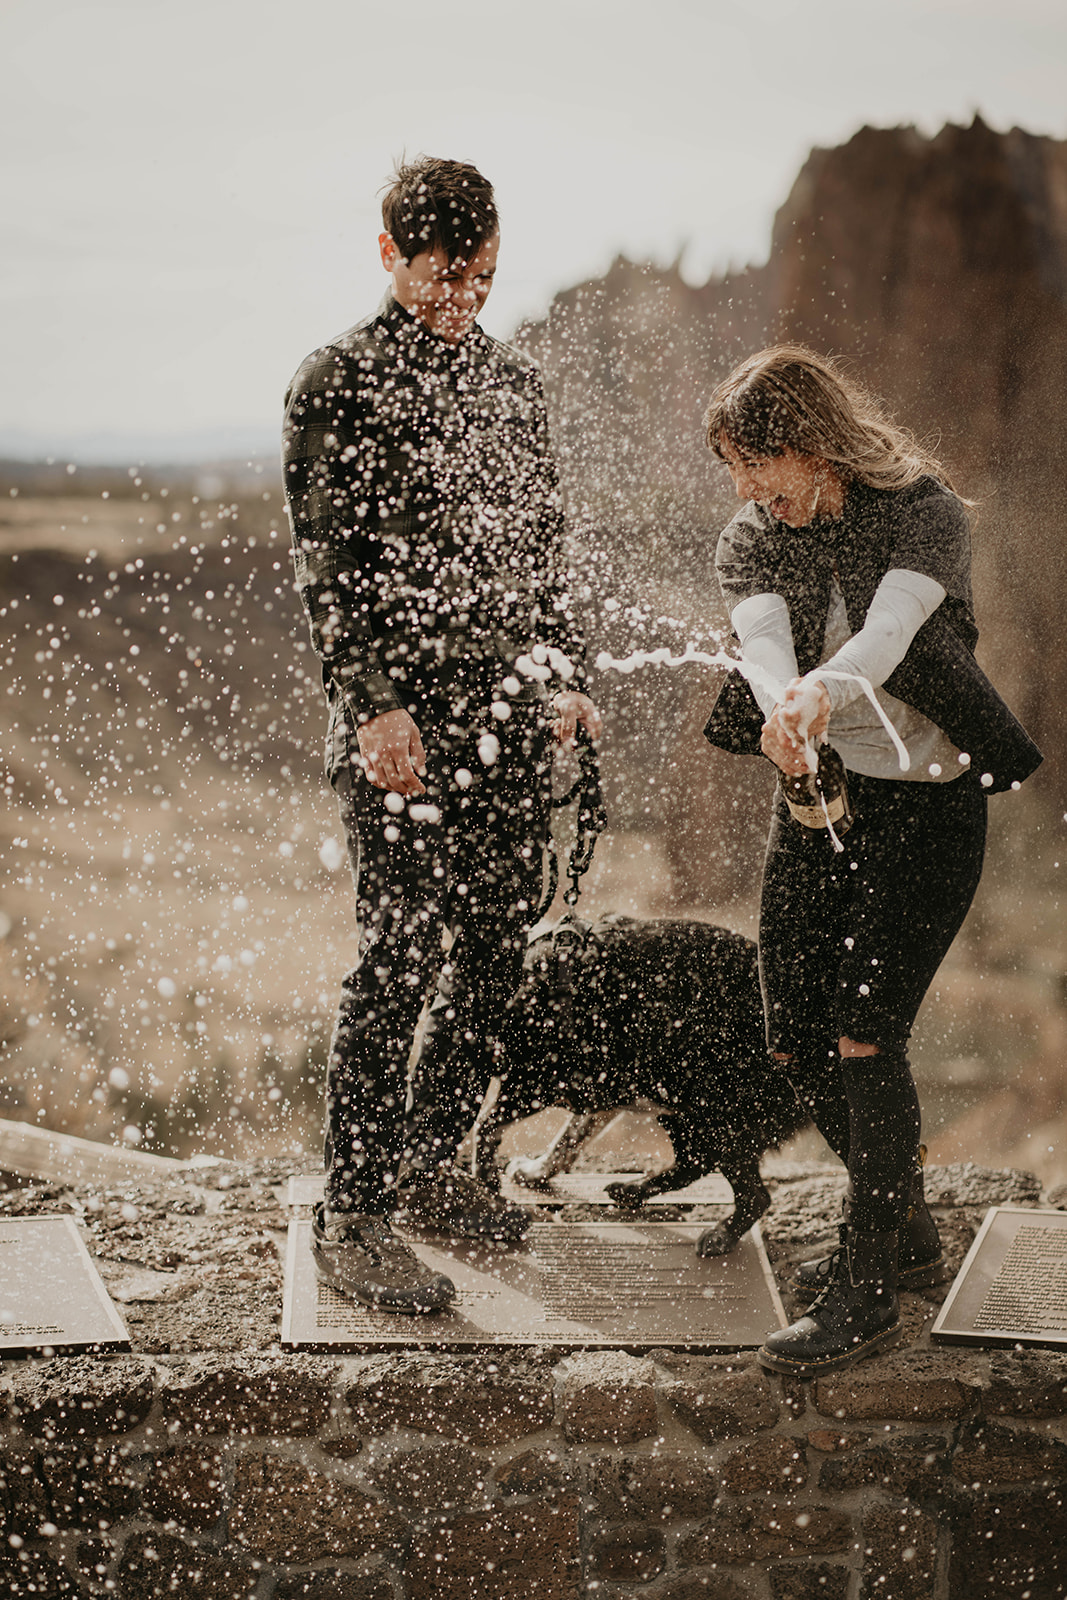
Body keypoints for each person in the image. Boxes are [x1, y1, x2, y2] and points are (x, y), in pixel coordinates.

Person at [282, 156, 600, 1314]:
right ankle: (352, 1211)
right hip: (398, 730)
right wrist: (373, 706)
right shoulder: (337, 381)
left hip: (509, 722)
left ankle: (424, 1166)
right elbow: (328, 571)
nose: (465, 296)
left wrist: (561, 676)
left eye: (483, 276)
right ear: (387, 255)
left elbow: (545, 557)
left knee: (492, 951)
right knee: (399, 954)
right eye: (443, 274)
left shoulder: (512, 386)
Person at [700, 345, 1041, 1377]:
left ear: (810, 444)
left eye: (758, 467)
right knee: (792, 1031)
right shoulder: (749, 538)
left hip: (927, 811)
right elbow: (761, 646)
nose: (748, 492)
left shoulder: (922, 511)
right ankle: (902, 1222)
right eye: (734, 474)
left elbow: (888, 635)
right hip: (823, 803)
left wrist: (821, 694)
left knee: (860, 1027)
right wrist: (778, 700)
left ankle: (862, 1294)